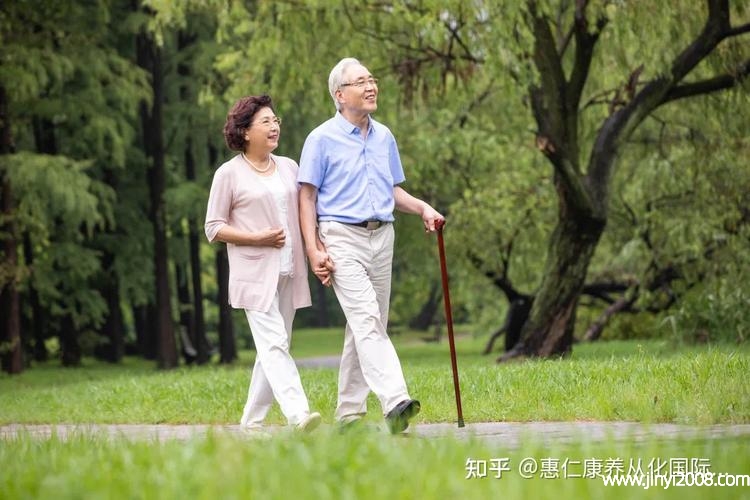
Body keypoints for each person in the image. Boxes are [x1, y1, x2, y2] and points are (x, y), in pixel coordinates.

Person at [298, 57, 444, 434]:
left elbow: (392, 190)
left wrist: (423, 208)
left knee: (367, 325)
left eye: (372, 79)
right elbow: (306, 198)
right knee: (366, 320)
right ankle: (395, 399)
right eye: (360, 81)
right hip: (340, 236)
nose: (371, 86)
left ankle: (348, 413)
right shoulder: (321, 139)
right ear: (339, 94)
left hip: (383, 236)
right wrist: (314, 249)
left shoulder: (384, 137)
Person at [205, 95, 321, 434]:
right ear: (244, 132)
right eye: (266, 122)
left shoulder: (289, 167)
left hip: (289, 270)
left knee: (274, 346)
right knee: (273, 344)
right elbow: (213, 227)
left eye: (276, 120)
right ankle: (299, 414)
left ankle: (251, 421)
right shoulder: (228, 174)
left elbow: (305, 214)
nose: (274, 127)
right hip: (254, 273)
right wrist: (257, 238)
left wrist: (317, 248)